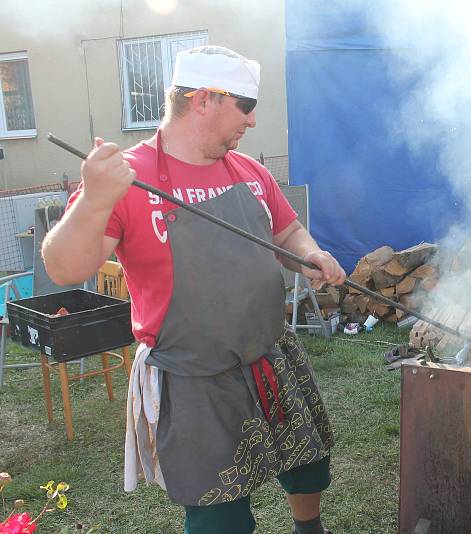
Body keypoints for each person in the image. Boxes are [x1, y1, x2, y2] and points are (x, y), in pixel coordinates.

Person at [41, 46, 345, 534]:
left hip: (271, 351)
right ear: (205, 99)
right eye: (245, 107)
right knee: (216, 509)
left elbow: (287, 231)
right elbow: (63, 267)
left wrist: (309, 254)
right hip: (193, 375)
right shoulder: (127, 178)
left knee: (308, 462)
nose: (251, 121)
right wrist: (94, 199)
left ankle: (309, 530)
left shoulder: (249, 172)